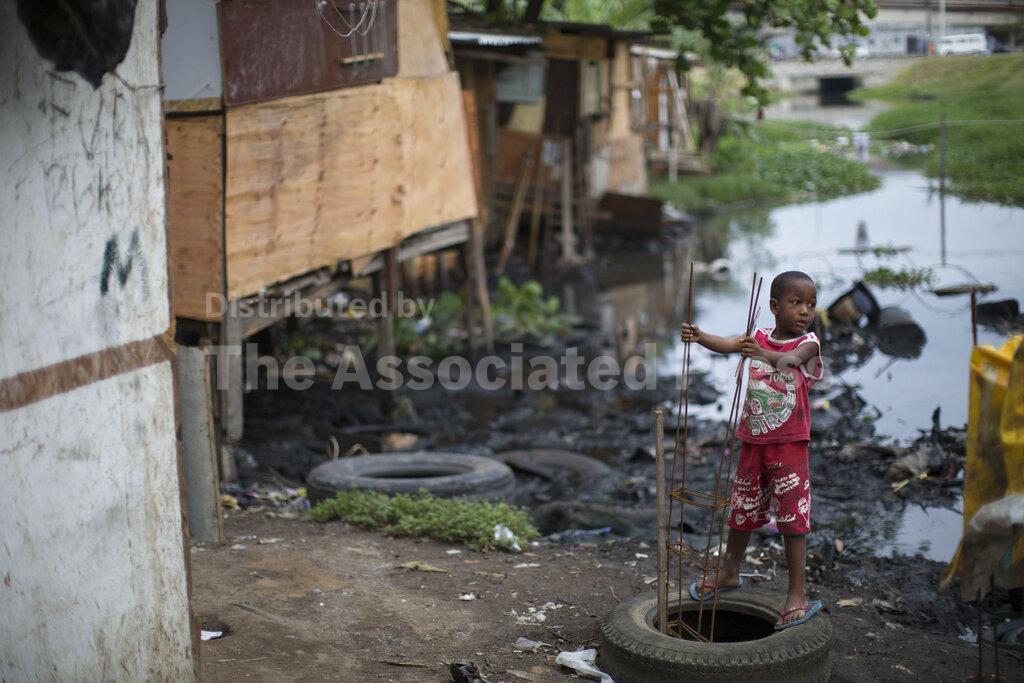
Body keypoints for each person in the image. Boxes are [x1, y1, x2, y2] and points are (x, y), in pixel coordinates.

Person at [679, 270, 824, 630]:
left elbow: (789, 363)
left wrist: (760, 352)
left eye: (811, 304)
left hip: (789, 445)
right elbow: (729, 344)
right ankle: (729, 572)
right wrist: (699, 337)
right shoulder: (757, 335)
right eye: (796, 303)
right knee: (742, 509)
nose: (805, 311)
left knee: (792, 516)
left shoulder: (809, 343)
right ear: (774, 306)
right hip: (753, 441)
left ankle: (797, 593)